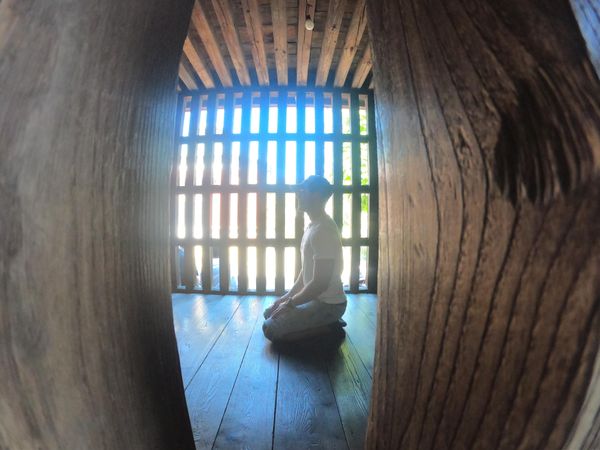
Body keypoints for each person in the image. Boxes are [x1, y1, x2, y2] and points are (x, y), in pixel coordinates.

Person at [262, 175, 347, 342]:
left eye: (302, 191)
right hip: (316, 299)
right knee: (269, 313)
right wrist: (286, 298)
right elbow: (305, 272)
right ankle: (319, 323)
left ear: (316, 196)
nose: (298, 195)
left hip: (329, 305)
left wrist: (290, 304)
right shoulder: (313, 226)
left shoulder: (323, 230)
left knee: (270, 328)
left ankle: (330, 327)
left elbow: (320, 283)